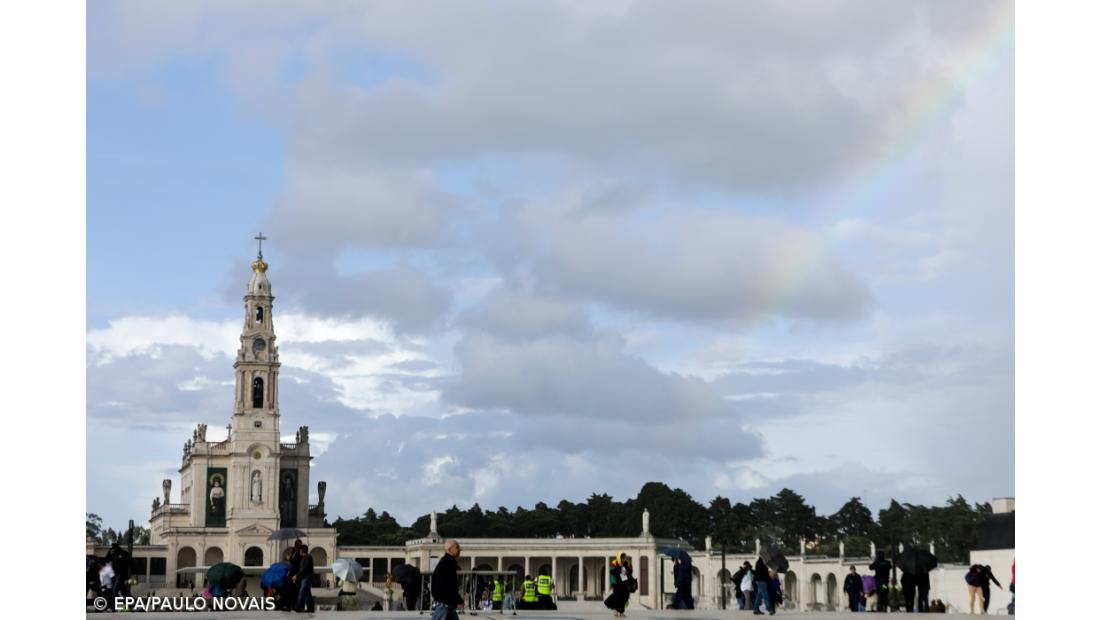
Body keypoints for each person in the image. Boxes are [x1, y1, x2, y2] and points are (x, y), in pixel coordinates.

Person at [431, 539, 464, 620]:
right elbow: (449, 585)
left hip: (447, 604)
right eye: (457, 547)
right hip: (445, 604)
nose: (459, 549)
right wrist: (459, 600)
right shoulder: (447, 563)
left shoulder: (447, 562)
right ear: (450, 549)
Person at [293, 545, 315, 612]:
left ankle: (299, 607)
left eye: (300, 550)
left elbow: (305, 568)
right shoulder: (305, 557)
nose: (299, 551)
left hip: (306, 577)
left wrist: (297, 575)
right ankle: (310, 608)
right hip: (306, 577)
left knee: (302, 592)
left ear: (302, 550)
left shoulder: (307, 557)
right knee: (307, 593)